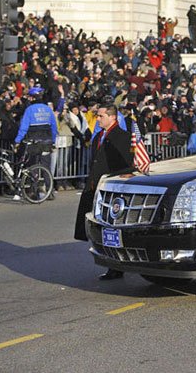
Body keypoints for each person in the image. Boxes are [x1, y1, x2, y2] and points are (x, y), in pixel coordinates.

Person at [73, 105, 135, 279]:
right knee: (98, 227)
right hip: (97, 185)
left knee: (112, 229)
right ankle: (110, 263)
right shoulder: (99, 136)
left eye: (100, 116)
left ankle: (116, 266)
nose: (98, 119)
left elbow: (126, 164)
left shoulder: (122, 137)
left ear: (112, 117)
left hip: (113, 189)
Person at [14, 87, 57, 198]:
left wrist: (17, 141)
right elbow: (54, 127)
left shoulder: (30, 109)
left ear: (32, 98)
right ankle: (50, 190)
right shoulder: (48, 109)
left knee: (32, 166)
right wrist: (53, 141)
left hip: (33, 142)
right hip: (46, 142)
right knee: (46, 167)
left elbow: (23, 128)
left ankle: (34, 191)